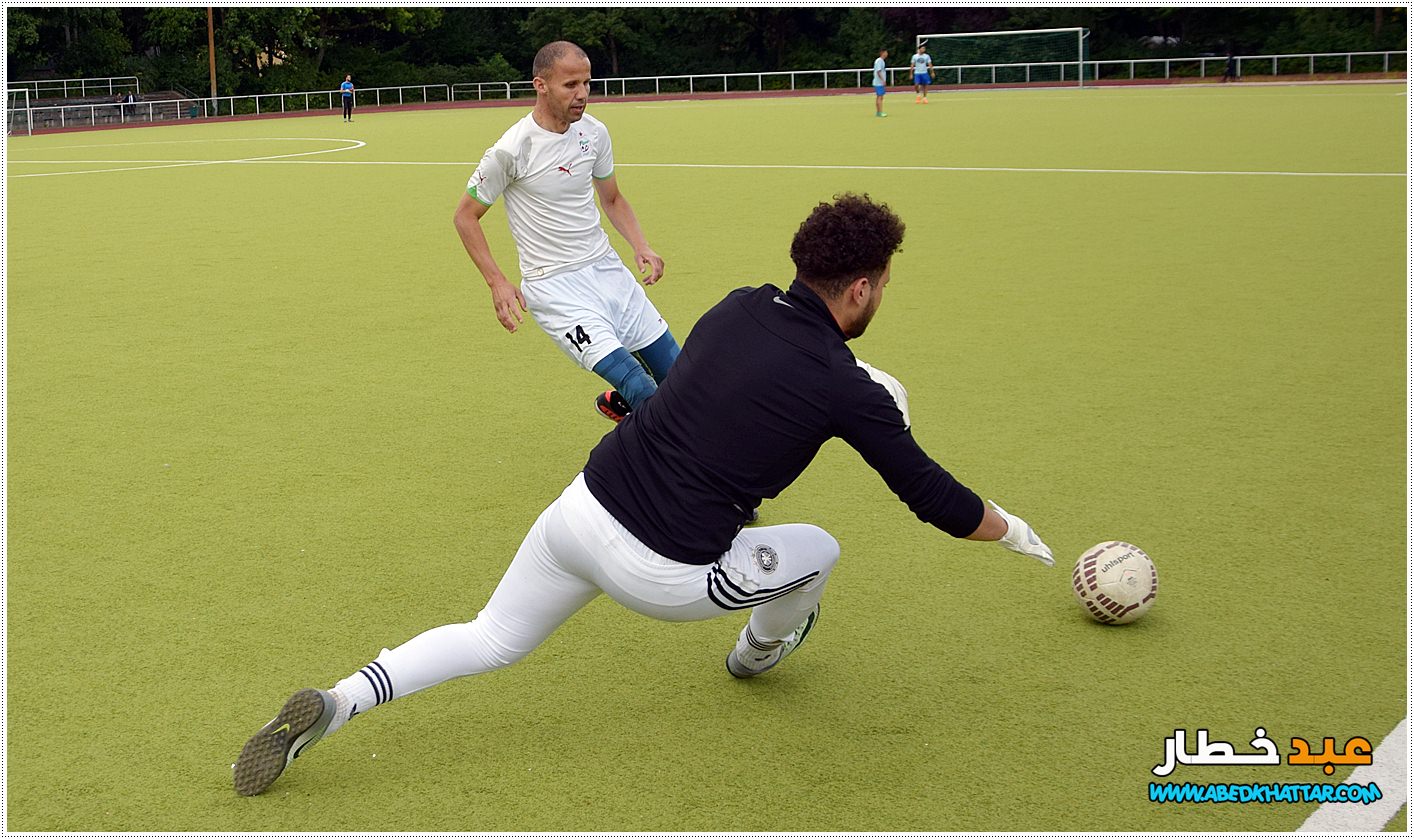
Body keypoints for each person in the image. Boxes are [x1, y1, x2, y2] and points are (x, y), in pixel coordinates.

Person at [232, 193, 1056, 797]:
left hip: (582, 507)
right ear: (864, 289)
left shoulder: (738, 306)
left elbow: (727, 385)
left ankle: (339, 701)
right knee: (820, 554)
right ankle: (755, 653)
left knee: (490, 636)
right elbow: (936, 501)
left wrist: (861, 382)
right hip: (663, 570)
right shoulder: (848, 391)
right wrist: (1013, 529)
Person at [452, 41, 678, 425]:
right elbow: (465, 217)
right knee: (642, 389)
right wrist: (498, 283)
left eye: (587, 83)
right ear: (540, 85)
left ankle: (630, 412)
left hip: (609, 273)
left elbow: (613, 199)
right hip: (555, 287)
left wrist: (641, 245)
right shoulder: (511, 150)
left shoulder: (594, 133)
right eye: (570, 85)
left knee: (679, 378)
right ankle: (667, 468)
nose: (582, 95)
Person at [873, 48, 890, 117]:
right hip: (878, 82)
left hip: (878, 82)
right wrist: (883, 80)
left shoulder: (881, 61)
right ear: (882, 53)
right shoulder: (879, 61)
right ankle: (879, 112)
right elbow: (878, 71)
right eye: (886, 52)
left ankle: (878, 112)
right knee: (880, 97)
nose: (887, 54)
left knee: (880, 97)